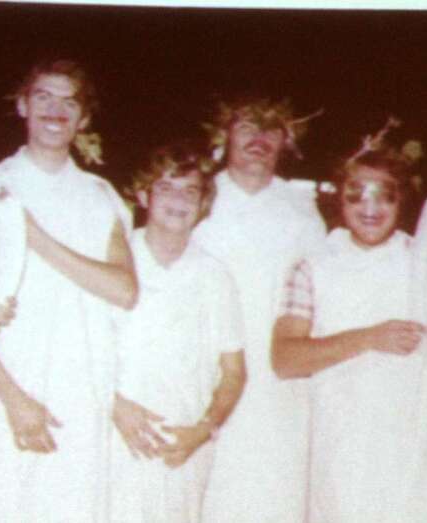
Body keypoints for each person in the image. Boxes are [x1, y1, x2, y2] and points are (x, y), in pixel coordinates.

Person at [0, 58, 137, 522]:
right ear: (22, 106)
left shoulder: (100, 196)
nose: (55, 110)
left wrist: (35, 238)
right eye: (43, 96)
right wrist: (13, 399)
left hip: (76, 397)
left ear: (84, 118)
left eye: (69, 102)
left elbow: (123, 290)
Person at [271, 119, 427, 522]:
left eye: (384, 196)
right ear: (339, 199)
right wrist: (368, 338)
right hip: (346, 453)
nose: (370, 209)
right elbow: (285, 359)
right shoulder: (313, 267)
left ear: (401, 200)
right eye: (357, 195)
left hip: (426, 452)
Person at [192, 97, 326, 522]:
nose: (260, 138)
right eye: (247, 127)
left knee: (277, 497)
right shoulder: (197, 198)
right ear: (224, 135)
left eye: (272, 130)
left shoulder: (303, 212)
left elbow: (323, 296)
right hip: (207, 377)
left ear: (286, 142)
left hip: (280, 389)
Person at [110, 143, 246, 522]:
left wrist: (203, 430)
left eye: (190, 192)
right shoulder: (114, 259)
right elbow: (79, 348)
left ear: (203, 206)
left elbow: (234, 372)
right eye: (166, 188)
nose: (178, 201)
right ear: (143, 196)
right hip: (114, 438)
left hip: (182, 447)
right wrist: (114, 406)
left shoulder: (215, 276)